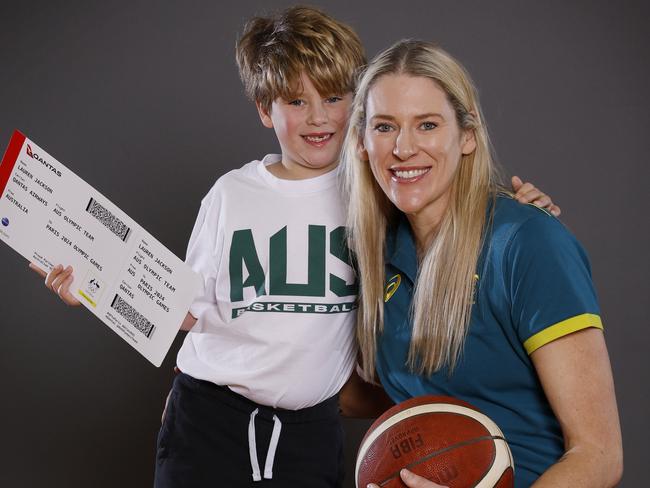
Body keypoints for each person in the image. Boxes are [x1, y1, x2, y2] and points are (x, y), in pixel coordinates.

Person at [31, 8, 559, 488]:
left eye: (333, 97)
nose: (318, 117)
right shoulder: (231, 195)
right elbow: (184, 310)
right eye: (295, 101)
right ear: (265, 109)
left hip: (311, 430)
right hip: (208, 418)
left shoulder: (381, 191)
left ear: (358, 99)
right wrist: (97, 287)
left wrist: (521, 208)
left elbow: (449, 213)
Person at [341, 39, 623, 487]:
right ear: (360, 142)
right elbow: (386, 394)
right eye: (384, 127)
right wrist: (239, 365)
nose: (403, 148)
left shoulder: (528, 242)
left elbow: (600, 456)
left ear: (467, 136)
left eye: (428, 125)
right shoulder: (375, 253)